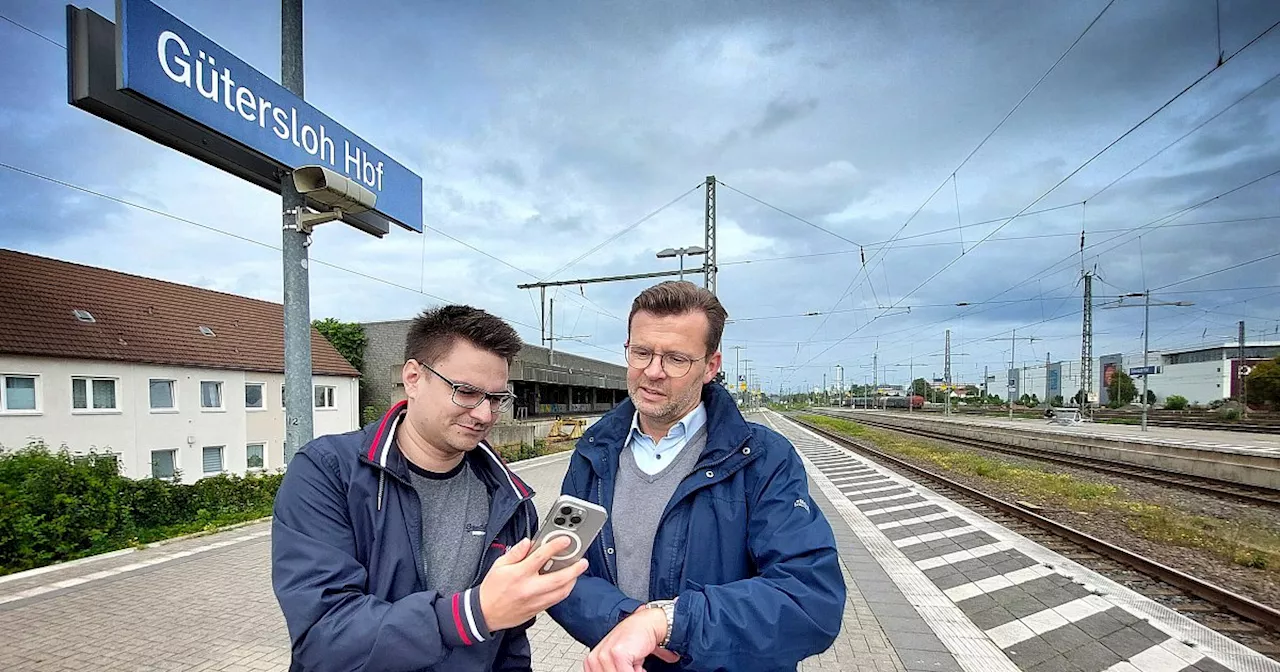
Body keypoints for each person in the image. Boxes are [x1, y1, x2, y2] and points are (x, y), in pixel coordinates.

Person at [548, 282, 846, 671]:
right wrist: (628, 621)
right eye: (641, 353)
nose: (652, 372)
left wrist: (669, 623)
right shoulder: (593, 452)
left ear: (710, 366)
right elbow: (558, 570)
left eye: (675, 359)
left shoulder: (764, 459)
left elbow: (810, 600)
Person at [272, 305, 587, 672]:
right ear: (413, 378)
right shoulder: (328, 471)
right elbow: (324, 636)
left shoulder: (511, 499)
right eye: (466, 392)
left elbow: (510, 645)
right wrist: (472, 614)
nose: (484, 414)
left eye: (497, 398)